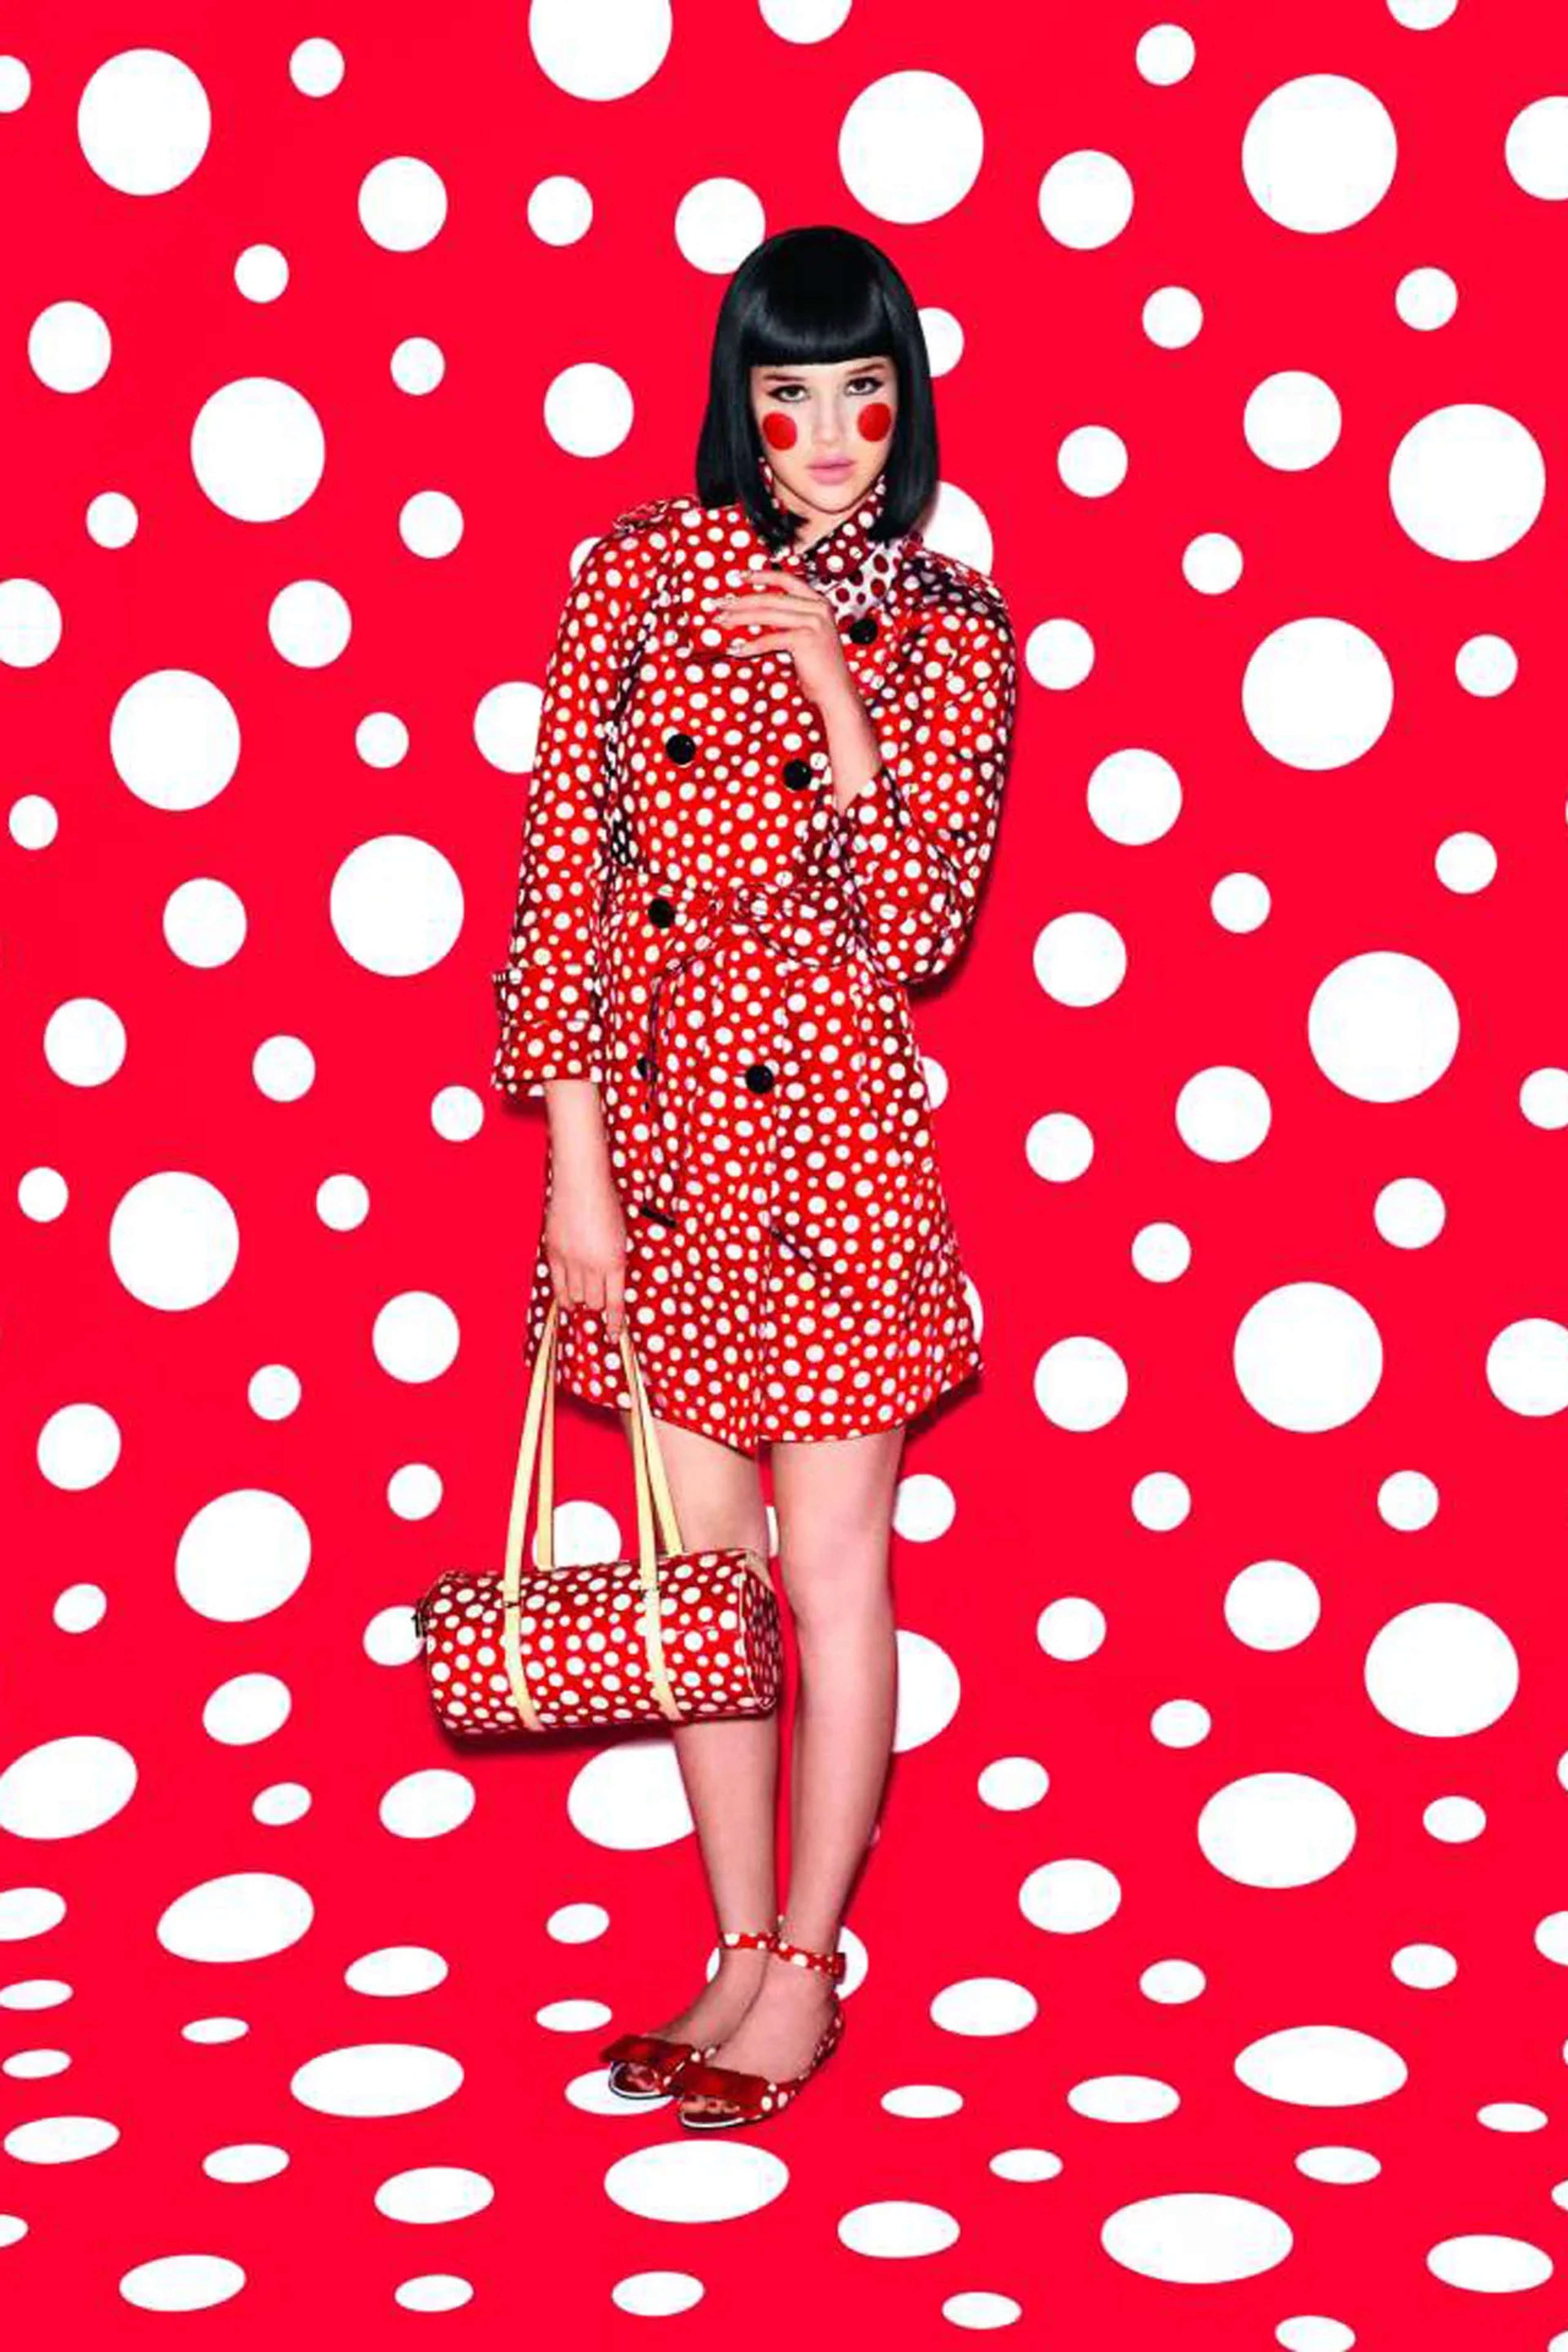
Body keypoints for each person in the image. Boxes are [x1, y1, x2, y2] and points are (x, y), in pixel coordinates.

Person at [489, 224, 1019, 2128]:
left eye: (857, 387)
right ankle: (725, 1953)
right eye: (784, 389)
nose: (822, 429)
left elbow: (926, 925)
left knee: (831, 1573)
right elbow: (563, 879)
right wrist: (574, 1177)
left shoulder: (951, 624)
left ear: (905, 398)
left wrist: (844, 697)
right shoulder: (630, 575)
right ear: (740, 399)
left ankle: (809, 1962)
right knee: (695, 1578)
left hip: (842, 1150)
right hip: (657, 1147)